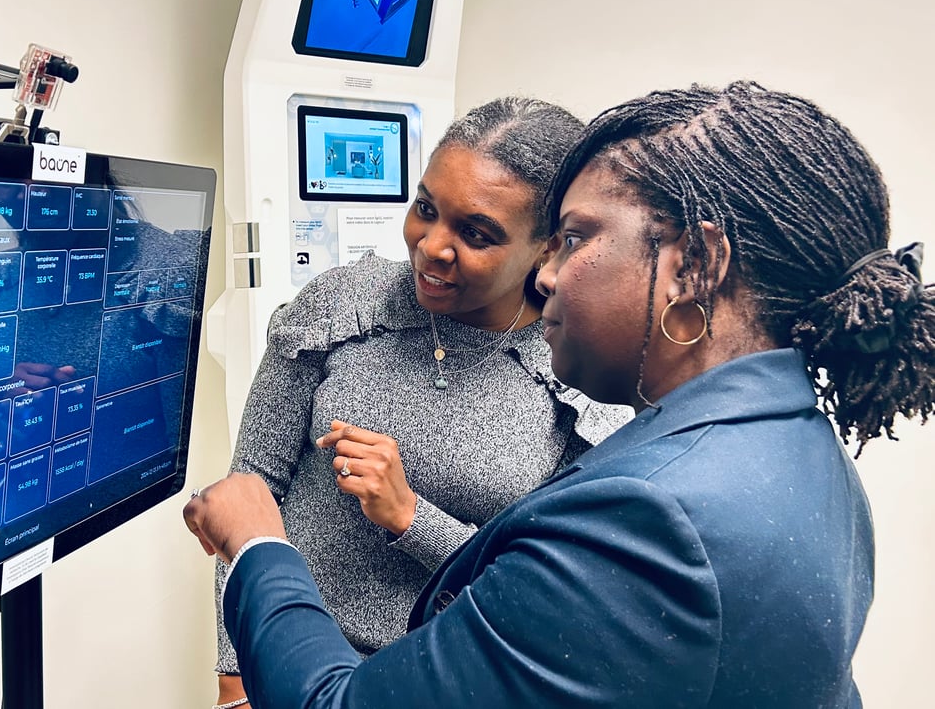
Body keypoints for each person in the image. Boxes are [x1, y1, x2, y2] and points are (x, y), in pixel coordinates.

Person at [185, 81, 934, 707]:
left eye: (573, 240)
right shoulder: (795, 440)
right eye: (426, 207)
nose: (550, 278)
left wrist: (259, 546)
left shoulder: (644, 519)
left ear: (696, 265)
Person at [209, 98, 632, 708]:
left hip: (441, 686)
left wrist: (411, 518)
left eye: (476, 233)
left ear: (546, 247)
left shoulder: (573, 376)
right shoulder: (340, 307)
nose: (432, 246)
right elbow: (249, 495)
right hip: (284, 663)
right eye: (426, 209)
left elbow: (541, 593)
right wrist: (234, 675)